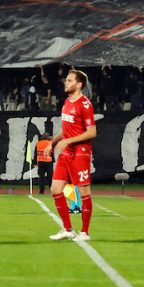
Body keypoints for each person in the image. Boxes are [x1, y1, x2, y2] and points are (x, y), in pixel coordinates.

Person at [46, 69, 97, 242]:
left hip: (80, 153)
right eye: (66, 80)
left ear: (79, 84)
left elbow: (91, 132)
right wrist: (52, 142)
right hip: (66, 153)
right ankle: (67, 229)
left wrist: (68, 141)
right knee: (55, 189)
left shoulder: (85, 105)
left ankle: (85, 232)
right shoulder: (67, 102)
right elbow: (66, 129)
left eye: (69, 80)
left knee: (84, 192)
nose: (66, 83)